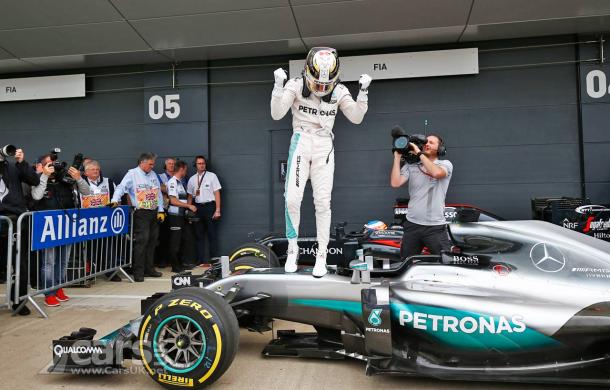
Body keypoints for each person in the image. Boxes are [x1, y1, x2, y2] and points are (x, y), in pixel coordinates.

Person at [270, 46, 372, 277]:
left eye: (327, 84)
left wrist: (363, 92)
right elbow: (277, 113)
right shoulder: (295, 84)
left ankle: (322, 255)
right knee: (292, 200)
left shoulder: (341, 90)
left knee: (323, 203)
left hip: (325, 144)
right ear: (308, 72)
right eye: (318, 83)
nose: (322, 88)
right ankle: (293, 248)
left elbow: (356, 118)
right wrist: (278, 86)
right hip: (301, 140)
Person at [31, 153, 92, 307]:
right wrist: (44, 176)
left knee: (63, 261)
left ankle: (58, 288)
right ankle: (49, 292)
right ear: (41, 166)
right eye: (49, 164)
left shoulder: (65, 179)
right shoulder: (36, 179)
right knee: (49, 262)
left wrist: (78, 177)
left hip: (67, 227)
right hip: (48, 229)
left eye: (54, 163)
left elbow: (87, 192)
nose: (53, 167)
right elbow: (37, 196)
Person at [390, 134, 453, 258]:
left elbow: (436, 173)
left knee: (444, 263)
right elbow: (395, 183)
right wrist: (397, 158)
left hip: (435, 227)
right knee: (406, 264)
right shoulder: (412, 165)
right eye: (425, 142)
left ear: (440, 149)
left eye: (431, 142)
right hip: (412, 225)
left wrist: (419, 153)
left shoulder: (445, 164)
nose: (427, 144)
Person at [110, 152, 165, 282]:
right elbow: (121, 187)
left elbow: (158, 194)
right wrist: (114, 199)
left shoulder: (153, 174)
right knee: (142, 241)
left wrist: (161, 210)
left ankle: (149, 269)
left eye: (153, 164)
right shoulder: (132, 174)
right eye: (150, 164)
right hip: (141, 213)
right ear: (142, 162)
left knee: (152, 241)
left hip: (153, 211)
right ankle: (138, 271)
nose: (152, 166)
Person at [0, 147, 39, 315]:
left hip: (15, 218)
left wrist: (22, 162)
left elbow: (34, 180)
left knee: (20, 263)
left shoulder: (12, 167)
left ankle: (19, 301)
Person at [81, 160, 121, 282]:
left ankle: (110, 271)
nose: (96, 171)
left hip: (105, 221)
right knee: (89, 248)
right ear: (86, 172)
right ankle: (90, 273)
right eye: (93, 170)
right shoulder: (80, 183)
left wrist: (116, 203)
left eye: (97, 169)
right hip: (87, 222)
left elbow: (117, 198)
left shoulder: (108, 182)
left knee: (107, 247)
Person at [187, 155, 221, 266]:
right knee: (198, 235)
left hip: (210, 206)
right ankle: (200, 260)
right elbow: (190, 196)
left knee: (212, 234)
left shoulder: (212, 176)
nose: (202, 165)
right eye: (199, 163)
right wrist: (188, 209)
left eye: (203, 163)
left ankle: (214, 260)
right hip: (197, 208)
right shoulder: (192, 179)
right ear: (195, 165)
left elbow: (217, 193)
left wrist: (217, 209)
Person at [167, 160, 197, 272]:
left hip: (181, 216)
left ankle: (181, 263)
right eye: (186, 169)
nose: (186, 171)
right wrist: (189, 206)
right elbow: (173, 201)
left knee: (184, 240)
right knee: (175, 241)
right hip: (175, 216)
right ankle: (175, 266)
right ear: (181, 169)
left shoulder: (181, 182)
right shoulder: (172, 182)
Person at [155, 157, 175, 268]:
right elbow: (160, 188)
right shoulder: (160, 176)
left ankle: (172, 260)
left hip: (177, 209)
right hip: (164, 208)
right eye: (169, 164)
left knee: (174, 237)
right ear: (165, 165)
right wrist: (171, 189)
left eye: (173, 164)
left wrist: (167, 189)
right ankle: (162, 260)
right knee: (163, 236)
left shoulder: (180, 177)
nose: (171, 165)